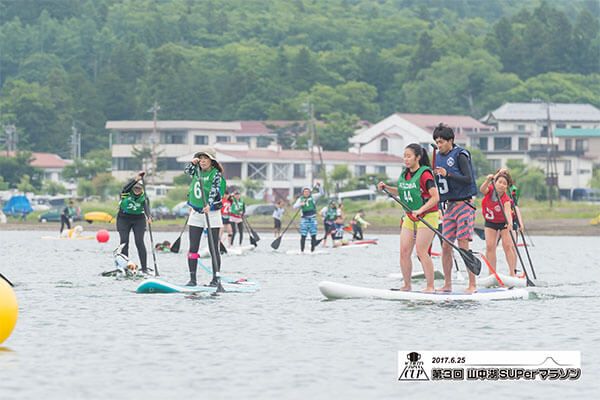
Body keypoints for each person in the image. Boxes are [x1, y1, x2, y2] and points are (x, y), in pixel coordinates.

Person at [378, 144, 439, 293]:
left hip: (428, 216)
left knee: (421, 251)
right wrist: (386, 187)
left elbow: (435, 197)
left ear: (417, 157)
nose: (406, 159)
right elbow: (401, 191)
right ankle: (406, 285)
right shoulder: (405, 174)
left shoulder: (425, 174)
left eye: (409, 156)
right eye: (404, 156)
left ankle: (430, 286)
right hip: (410, 217)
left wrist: (421, 210)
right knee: (404, 251)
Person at [432, 123, 478, 293]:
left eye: (442, 142)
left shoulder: (460, 155)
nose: (439, 145)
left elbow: (468, 178)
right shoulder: (436, 157)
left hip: (465, 204)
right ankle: (447, 283)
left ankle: (472, 284)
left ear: (450, 140)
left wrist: (448, 174)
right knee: (445, 246)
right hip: (449, 206)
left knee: (463, 244)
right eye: (437, 142)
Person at [184, 147, 226, 286]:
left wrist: (209, 204)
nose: (202, 161)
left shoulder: (216, 174)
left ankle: (215, 278)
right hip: (196, 213)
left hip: (212, 213)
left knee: (213, 247)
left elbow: (215, 190)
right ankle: (192, 279)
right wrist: (192, 163)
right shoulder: (196, 170)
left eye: (205, 158)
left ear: (211, 161)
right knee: (193, 248)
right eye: (200, 158)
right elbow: (187, 171)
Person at [480, 169, 523, 276]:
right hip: (490, 222)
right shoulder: (489, 190)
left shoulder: (506, 199)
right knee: (490, 246)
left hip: (503, 223)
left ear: (507, 186)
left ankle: (512, 273)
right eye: (500, 182)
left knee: (507, 246)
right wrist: (488, 180)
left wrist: (510, 223)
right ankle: (492, 273)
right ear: (495, 183)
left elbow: (508, 213)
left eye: (504, 184)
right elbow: (482, 189)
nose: (501, 185)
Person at [116, 171, 150, 274]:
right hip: (123, 219)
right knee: (124, 242)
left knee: (139, 242)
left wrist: (149, 217)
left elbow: (146, 207)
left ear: (142, 189)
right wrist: (136, 179)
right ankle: (125, 267)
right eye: (135, 188)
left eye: (139, 188)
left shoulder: (144, 197)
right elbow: (125, 188)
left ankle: (144, 268)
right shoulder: (125, 193)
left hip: (138, 220)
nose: (137, 190)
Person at [293, 185, 320, 253]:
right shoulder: (300, 199)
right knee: (303, 235)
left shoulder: (313, 197)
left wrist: (319, 187)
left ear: (310, 192)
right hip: (304, 220)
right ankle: (302, 250)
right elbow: (294, 206)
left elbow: (322, 193)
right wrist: (300, 204)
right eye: (305, 192)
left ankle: (312, 250)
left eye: (308, 192)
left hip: (313, 219)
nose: (306, 193)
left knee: (313, 235)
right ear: (303, 193)